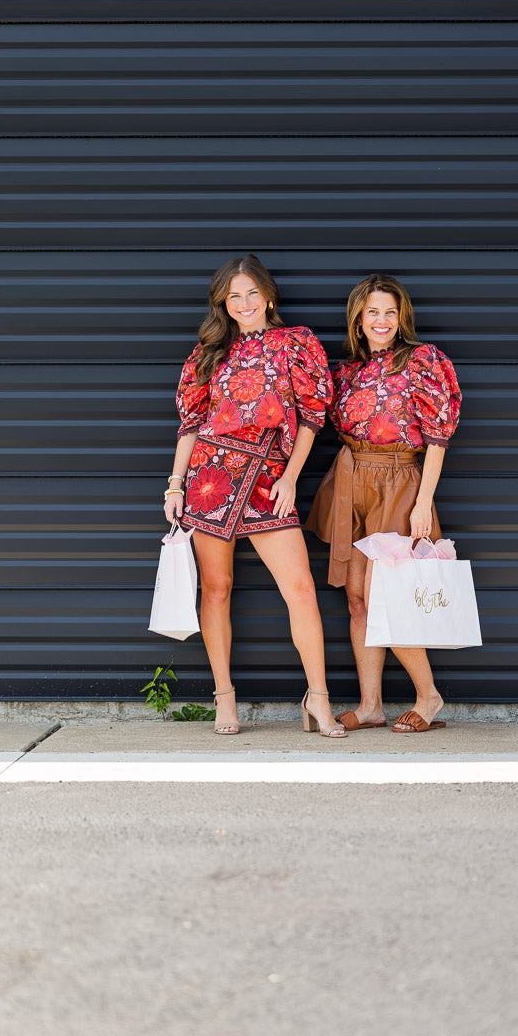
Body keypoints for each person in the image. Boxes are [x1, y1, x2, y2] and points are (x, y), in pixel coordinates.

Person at [163, 254, 346, 738]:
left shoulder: (296, 343)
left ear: (267, 295)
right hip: (211, 476)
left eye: (251, 293)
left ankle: (319, 699)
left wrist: (290, 477)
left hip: (269, 475)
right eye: (233, 296)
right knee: (217, 588)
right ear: (224, 302)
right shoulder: (209, 350)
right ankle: (225, 697)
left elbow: (311, 416)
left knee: (301, 590)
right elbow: (191, 424)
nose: (243, 304)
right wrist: (175, 484)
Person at [306, 273, 461, 733]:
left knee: (387, 596)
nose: (382, 320)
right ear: (358, 319)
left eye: (390, 312)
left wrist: (423, 502)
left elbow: (437, 437)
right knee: (357, 601)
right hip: (354, 478)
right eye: (373, 311)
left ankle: (429, 697)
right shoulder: (348, 372)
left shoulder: (422, 361)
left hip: (400, 480)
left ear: (402, 318)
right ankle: (371, 704)